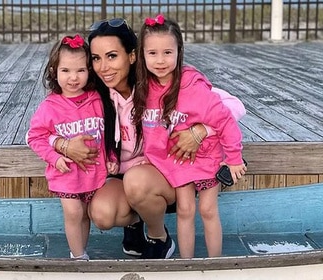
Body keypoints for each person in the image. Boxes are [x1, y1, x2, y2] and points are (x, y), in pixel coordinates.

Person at [51, 19, 246, 259]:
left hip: (163, 175)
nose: (103, 67)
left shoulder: (156, 83)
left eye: (112, 56)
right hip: (121, 175)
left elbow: (233, 106)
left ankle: (158, 237)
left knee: (138, 182)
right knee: (102, 213)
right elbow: (48, 123)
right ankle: (135, 225)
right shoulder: (94, 94)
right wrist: (64, 145)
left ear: (132, 56)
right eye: (96, 58)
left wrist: (199, 131)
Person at [127, 14, 247, 259]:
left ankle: (215, 264)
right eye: (152, 53)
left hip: (205, 157)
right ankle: (186, 264)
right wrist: (149, 158)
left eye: (167, 53)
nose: (160, 60)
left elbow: (225, 119)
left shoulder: (193, 87)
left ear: (179, 52)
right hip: (177, 161)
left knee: (208, 209)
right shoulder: (143, 88)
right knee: (185, 209)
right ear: (142, 54)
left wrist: (234, 159)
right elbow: (151, 130)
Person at [27, 34, 117, 260]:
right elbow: (35, 137)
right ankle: (77, 256)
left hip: (93, 172)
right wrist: (54, 157)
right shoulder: (50, 106)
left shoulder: (98, 99)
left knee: (85, 214)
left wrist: (112, 155)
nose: (73, 78)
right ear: (54, 71)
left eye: (80, 70)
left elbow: (109, 132)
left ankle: (81, 250)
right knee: (74, 212)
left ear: (89, 71)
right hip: (65, 172)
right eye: (65, 71)